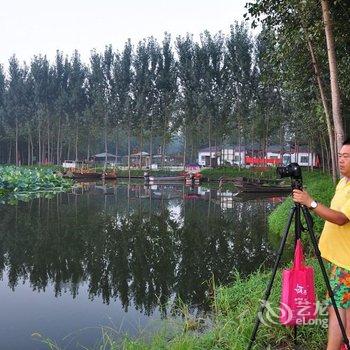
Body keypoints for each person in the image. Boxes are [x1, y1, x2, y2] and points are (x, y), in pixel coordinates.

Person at [293, 138, 350, 350]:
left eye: (346, 156)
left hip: (346, 264)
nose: (341, 161)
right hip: (338, 260)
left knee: (337, 311)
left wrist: (311, 203)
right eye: (340, 156)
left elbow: (341, 218)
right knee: (345, 309)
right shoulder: (343, 182)